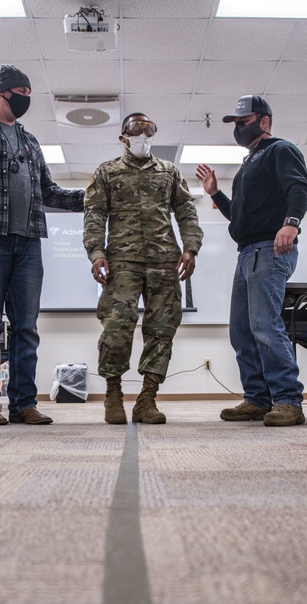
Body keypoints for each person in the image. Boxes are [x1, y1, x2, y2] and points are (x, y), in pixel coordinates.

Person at [0, 64, 84, 426]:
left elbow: (50, 192)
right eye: (20, 94)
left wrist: (95, 195)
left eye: (28, 95)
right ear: (1, 93)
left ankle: (24, 403)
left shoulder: (30, 141)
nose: (26, 100)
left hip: (27, 244)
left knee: (26, 326)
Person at [195, 95, 307, 427]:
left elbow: (301, 189)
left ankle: (288, 400)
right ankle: (258, 399)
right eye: (235, 123)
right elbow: (240, 218)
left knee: (265, 326)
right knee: (242, 332)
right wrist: (215, 194)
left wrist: (291, 223)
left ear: (264, 121)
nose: (238, 128)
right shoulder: (247, 165)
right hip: (247, 251)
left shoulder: (280, 150)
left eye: (243, 122)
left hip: (269, 249)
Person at [83, 113, 203, 424]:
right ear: (123, 137)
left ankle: (147, 399)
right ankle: (113, 393)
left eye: (149, 131)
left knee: (162, 330)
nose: (144, 136)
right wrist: (96, 253)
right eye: (137, 131)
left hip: (165, 261)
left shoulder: (169, 172)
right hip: (122, 262)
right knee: (116, 327)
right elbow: (94, 215)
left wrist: (191, 247)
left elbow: (186, 211)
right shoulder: (107, 172)